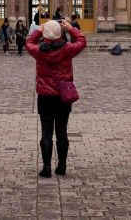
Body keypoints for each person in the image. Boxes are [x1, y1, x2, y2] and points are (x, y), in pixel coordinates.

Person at [25, 19, 87, 178]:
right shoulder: (67, 49)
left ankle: (46, 167)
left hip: (45, 97)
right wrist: (71, 28)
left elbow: (28, 40)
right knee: (62, 132)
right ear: (61, 34)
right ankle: (62, 165)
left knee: (46, 132)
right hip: (62, 97)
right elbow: (82, 40)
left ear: (45, 34)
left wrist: (40, 28)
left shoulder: (38, 51)